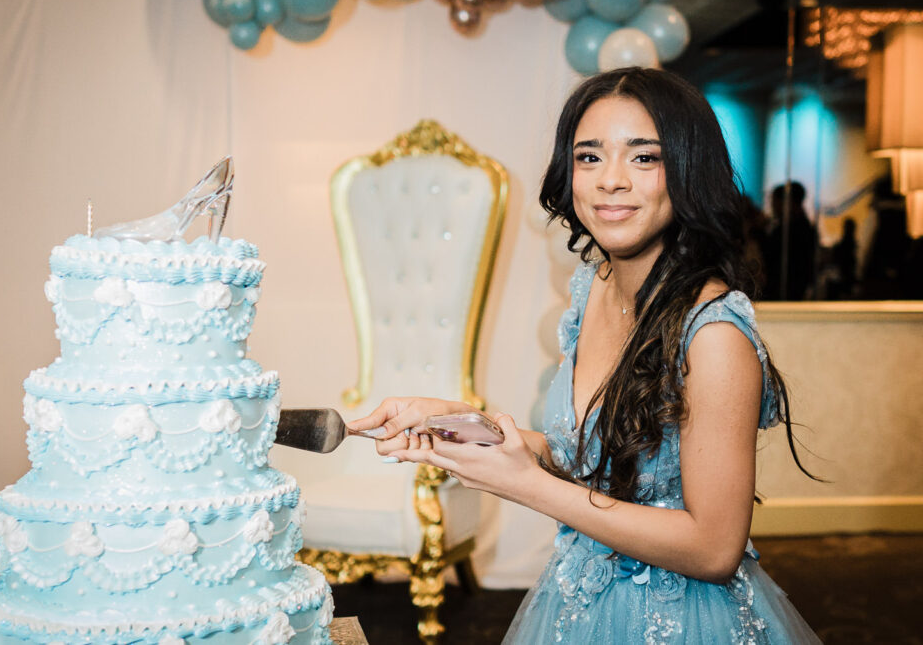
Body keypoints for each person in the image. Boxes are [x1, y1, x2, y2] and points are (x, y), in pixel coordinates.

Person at [348, 67, 821, 643]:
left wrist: (525, 485)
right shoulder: (595, 285)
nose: (610, 181)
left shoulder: (713, 333)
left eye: (644, 157)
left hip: (679, 620)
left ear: (689, 170)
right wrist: (466, 428)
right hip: (579, 598)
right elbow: (601, 462)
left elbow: (714, 549)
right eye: (589, 157)